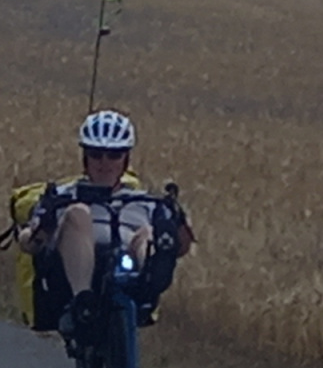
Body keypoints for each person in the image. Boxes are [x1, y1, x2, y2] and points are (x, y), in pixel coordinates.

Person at [17, 109, 192, 332]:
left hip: (130, 263)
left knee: (149, 231)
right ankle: (83, 301)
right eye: (96, 154)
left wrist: (176, 222)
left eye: (114, 155)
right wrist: (34, 235)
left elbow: (182, 246)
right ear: (85, 157)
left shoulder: (146, 200)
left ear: (126, 159)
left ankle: (152, 280)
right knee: (78, 213)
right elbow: (30, 239)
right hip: (71, 272)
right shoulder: (62, 196)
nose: (104, 163)